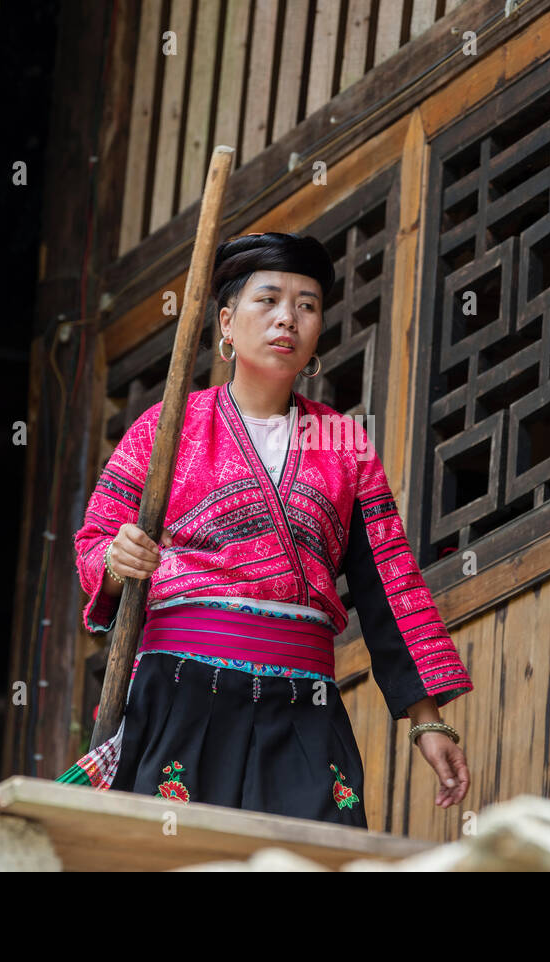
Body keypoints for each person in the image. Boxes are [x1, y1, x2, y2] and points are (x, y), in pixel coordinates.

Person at [55, 231, 472, 828]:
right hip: (180, 693)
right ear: (226, 323)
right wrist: (120, 561)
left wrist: (426, 718)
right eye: (268, 301)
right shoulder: (166, 427)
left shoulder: (342, 443)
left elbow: (388, 583)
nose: (288, 319)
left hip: (304, 706)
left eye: (306, 306)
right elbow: (96, 545)